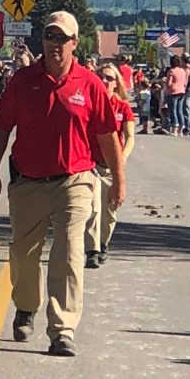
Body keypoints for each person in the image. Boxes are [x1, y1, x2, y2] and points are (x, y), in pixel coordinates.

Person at [0, 11, 125, 358]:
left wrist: (118, 182)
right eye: (49, 36)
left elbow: (109, 137)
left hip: (75, 182)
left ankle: (62, 328)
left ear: (75, 43)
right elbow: (1, 128)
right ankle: (26, 307)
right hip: (28, 181)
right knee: (24, 255)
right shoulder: (22, 81)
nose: (54, 44)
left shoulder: (90, 84)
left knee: (69, 252)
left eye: (62, 38)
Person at [85, 64, 134, 269]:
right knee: (92, 209)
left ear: (117, 83)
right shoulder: (88, 103)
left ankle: (103, 243)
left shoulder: (122, 108)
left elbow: (130, 137)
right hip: (89, 164)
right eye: (101, 77)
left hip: (111, 167)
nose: (104, 81)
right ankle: (92, 250)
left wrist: (121, 158)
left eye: (109, 78)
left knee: (109, 211)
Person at [165, 55, 188, 136]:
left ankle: (174, 129)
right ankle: (181, 129)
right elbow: (185, 83)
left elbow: (168, 83)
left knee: (173, 110)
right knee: (180, 110)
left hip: (173, 92)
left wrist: (167, 89)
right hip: (182, 91)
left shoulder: (172, 71)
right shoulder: (182, 71)